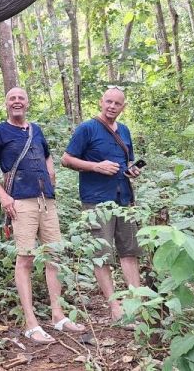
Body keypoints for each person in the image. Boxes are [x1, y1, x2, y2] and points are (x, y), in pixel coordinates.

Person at [0, 87, 85, 345]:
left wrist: (51, 178)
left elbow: (48, 155)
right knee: (26, 259)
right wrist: (4, 197)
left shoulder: (35, 130)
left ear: (27, 103)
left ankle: (58, 315)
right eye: (12, 98)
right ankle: (31, 323)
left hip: (47, 201)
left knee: (54, 258)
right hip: (21, 203)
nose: (17, 102)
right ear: (6, 104)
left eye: (21, 98)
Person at [61, 86, 143, 326]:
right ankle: (115, 309)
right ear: (100, 101)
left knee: (130, 251)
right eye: (108, 101)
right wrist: (96, 166)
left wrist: (132, 169)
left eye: (117, 103)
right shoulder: (87, 128)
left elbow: (127, 160)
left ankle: (137, 305)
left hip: (123, 198)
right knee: (102, 255)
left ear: (123, 107)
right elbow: (66, 159)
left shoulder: (125, 130)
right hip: (97, 200)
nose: (112, 107)